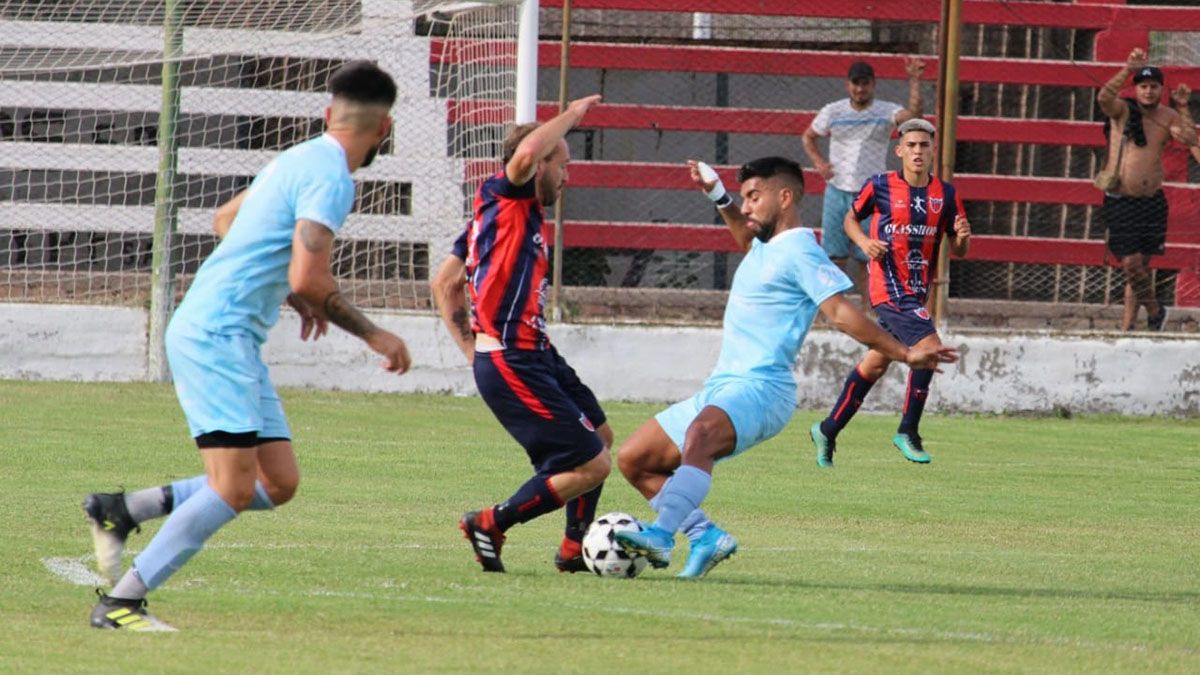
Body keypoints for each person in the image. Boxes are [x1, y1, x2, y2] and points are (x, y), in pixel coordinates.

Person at [82, 61, 412, 630]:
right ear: (385, 129)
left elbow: (225, 220)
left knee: (275, 483)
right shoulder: (332, 177)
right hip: (217, 335)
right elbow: (310, 275)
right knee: (231, 488)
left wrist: (279, 282)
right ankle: (122, 602)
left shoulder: (298, 156)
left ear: (329, 113)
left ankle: (123, 510)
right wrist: (375, 333)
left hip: (230, 333)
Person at [613, 156, 958, 577]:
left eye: (754, 197)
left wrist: (904, 354)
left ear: (786, 196)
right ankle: (705, 536)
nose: (748, 207)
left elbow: (840, 313)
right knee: (635, 460)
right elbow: (744, 234)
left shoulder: (801, 251)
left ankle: (662, 535)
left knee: (699, 435)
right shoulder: (766, 245)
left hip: (762, 390)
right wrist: (718, 193)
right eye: (744, 198)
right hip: (724, 386)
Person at [431, 95, 615, 574]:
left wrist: (471, 350)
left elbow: (444, 282)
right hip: (514, 357)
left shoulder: (493, 217)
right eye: (563, 164)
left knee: (599, 434)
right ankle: (493, 521)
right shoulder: (505, 195)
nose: (567, 175)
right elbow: (529, 154)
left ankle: (575, 550)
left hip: (535, 353)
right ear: (538, 164)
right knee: (593, 465)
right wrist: (573, 115)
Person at [809, 118, 970, 468]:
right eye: (911, 145)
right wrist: (865, 242)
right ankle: (908, 431)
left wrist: (963, 235)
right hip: (888, 287)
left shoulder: (946, 195)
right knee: (929, 348)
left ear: (932, 152)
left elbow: (959, 250)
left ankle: (828, 428)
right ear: (899, 151)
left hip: (917, 292)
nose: (917, 151)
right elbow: (850, 220)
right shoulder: (880, 186)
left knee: (876, 362)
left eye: (924, 146)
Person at [802, 57, 925, 307]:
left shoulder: (885, 110)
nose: (860, 89)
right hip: (837, 190)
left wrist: (914, 80)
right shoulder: (833, 111)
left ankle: (872, 313)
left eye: (865, 84)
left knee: (869, 257)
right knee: (834, 256)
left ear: (873, 85)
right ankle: (834, 312)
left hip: (871, 194)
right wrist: (819, 163)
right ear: (848, 85)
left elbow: (913, 117)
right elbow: (808, 137)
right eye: (856, 84)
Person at [1096, 48, 1196, 331]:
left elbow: (1188, 138)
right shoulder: (1123, 110)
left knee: (1139, 268)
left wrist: (1184, 108)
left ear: (1161, 89)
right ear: (1136, 88)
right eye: (1143, 86)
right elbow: (1103, 98)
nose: (1149, 92)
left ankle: (1129, 328)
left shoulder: (1167, 116)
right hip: (1121, 199)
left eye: (1154, 87)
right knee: (1130, 264)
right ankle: (1155, 309)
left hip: (1151, 201)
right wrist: (1127, 70)